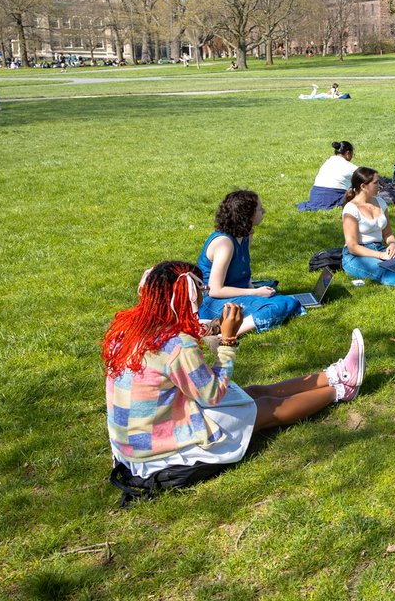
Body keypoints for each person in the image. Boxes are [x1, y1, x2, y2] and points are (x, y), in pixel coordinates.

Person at [104, 261, 364, 485]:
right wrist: (228, 341)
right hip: (160, 453)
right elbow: (213, 394)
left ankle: (333, 374)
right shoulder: (176, 344)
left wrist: (205, 332)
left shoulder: (128, 329)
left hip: (133, 442)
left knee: (252, 393)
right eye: (200, 291)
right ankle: (341, 389)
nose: (203, 296)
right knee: (264, 410)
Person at [197, 190, 303, 334]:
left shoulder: (246, 235)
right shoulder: (225, 244)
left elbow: (243, 271)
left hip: (235, 295)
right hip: (212, 303)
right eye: (259, 209)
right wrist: (255, 293)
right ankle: (224, 334)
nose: (263, 211)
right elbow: (215, 290)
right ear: (247, 215)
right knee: (283, 304)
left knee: (281, 297)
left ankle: (231, 324)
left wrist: (253, 289)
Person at [297, 140, 356, 211]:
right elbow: (367, 177)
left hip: (315, 197)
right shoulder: (350, 167)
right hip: (332, 197)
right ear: (348, 153)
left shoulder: (327, 162)